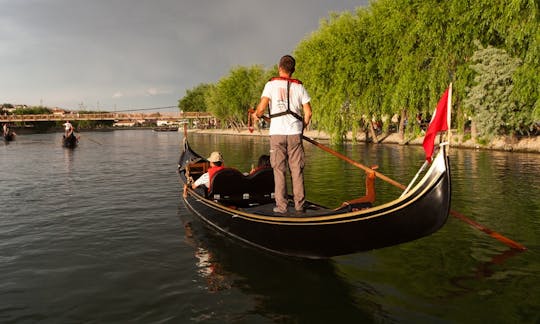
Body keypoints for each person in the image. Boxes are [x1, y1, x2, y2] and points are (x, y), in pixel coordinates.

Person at [252, 55, 312, 214]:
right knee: (297, 170)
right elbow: (308, 112)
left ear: (279, 68)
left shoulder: (271, 85)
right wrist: (302, 128)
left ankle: (282, 207)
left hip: (277, 134)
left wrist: (256, 115)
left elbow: (261, 109)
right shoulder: (299, 87)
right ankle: (300, 206)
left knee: (279, 170)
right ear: (293, 70)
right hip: (294, 134)